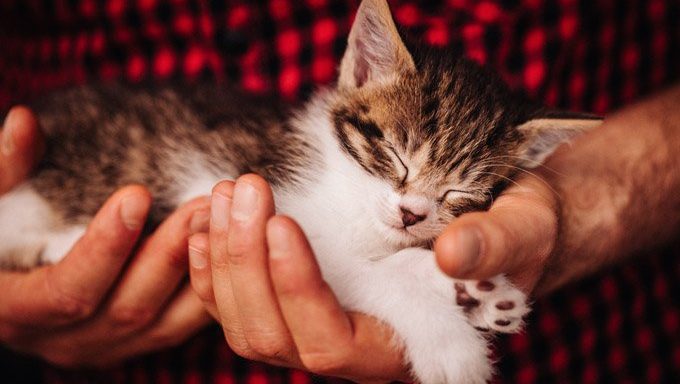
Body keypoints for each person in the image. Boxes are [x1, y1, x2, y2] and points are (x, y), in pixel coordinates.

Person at [1, 1, 678, 382]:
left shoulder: (425, 190)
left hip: (598, 343)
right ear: (361, 69)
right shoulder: (319, 160)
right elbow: (317, 249)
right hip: (84, 208)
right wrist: (425, 310)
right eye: (395, 159)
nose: (414, 206)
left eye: (454, 196)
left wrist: (580, 204)